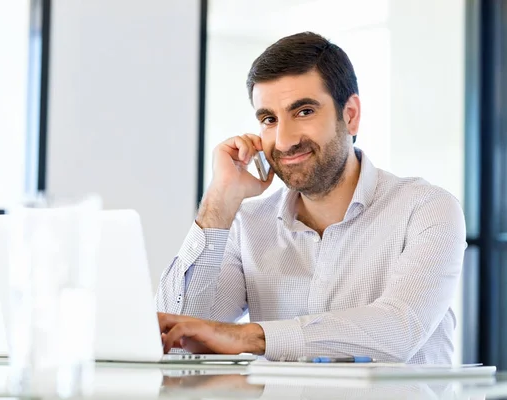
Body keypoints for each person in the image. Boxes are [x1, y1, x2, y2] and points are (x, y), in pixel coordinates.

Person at [156, 31, 466, 363]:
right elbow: (173, 338)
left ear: (350, 115)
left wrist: (250, 337)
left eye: (303, 111)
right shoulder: (248, 226)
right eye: (269, 119)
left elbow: (400, 329)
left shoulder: (427, 209)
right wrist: (220, 200)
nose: (284, 140)